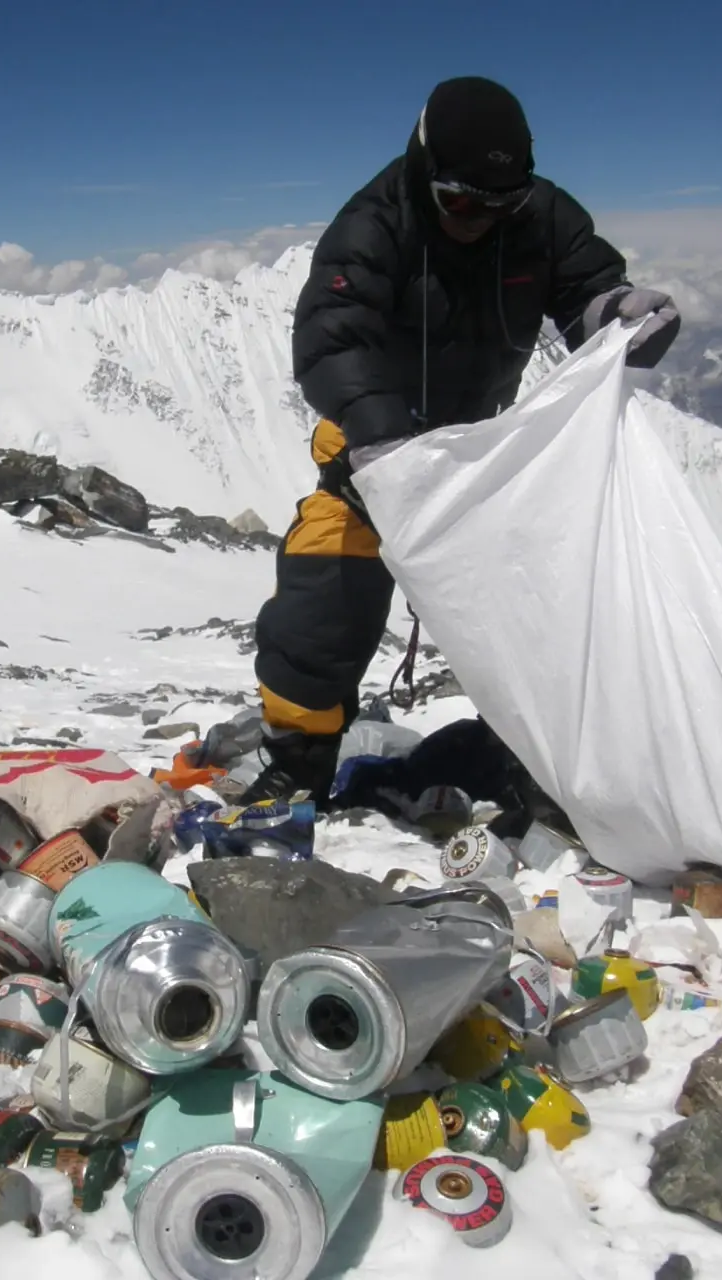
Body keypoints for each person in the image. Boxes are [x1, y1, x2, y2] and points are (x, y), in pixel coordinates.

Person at [241, 75, 682, 806]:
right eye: (462, 201)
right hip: (369, 464)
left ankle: (546, 765)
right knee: (321, 609)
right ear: (424, 169)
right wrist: (382, 443)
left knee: (545, 611)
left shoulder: (540, 218)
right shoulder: (374, 226)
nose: (479, 218)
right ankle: (298, 762)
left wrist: (619, 315)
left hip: (483, 461)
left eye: (500, 203)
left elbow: (585, 290)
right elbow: (329, 341)